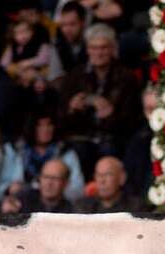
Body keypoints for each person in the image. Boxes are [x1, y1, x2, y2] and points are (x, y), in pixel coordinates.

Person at [58, 24, 142, 173]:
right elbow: (61, 117)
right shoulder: (75, 76)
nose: (98, 53)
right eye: (93, 48)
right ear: (87, 50)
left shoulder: (127, 78)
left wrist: (111, 116)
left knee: (108, 148)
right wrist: (71, 109)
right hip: (82, 136)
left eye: (103, 48)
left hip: (113, 138)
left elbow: (132, 121)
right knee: (78, 150)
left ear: (112, 49)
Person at [1, 158, 74, 213]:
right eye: (45, 177)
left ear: (66, 183)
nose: (49, 183)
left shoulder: (71, 212)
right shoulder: (23, 200)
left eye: (55, 178)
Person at [76, 156, 145, 213]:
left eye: (108, 174)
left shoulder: (135, 208)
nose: (102, 180)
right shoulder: (83, 207)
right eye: (98, 175)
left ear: (122, 178)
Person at [48, 1, 88, 83]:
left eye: (72, 24)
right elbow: (55, 77)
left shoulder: (93, 42)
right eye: (64, 25)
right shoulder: (58, 42)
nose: (67, 30)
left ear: (83, 23)